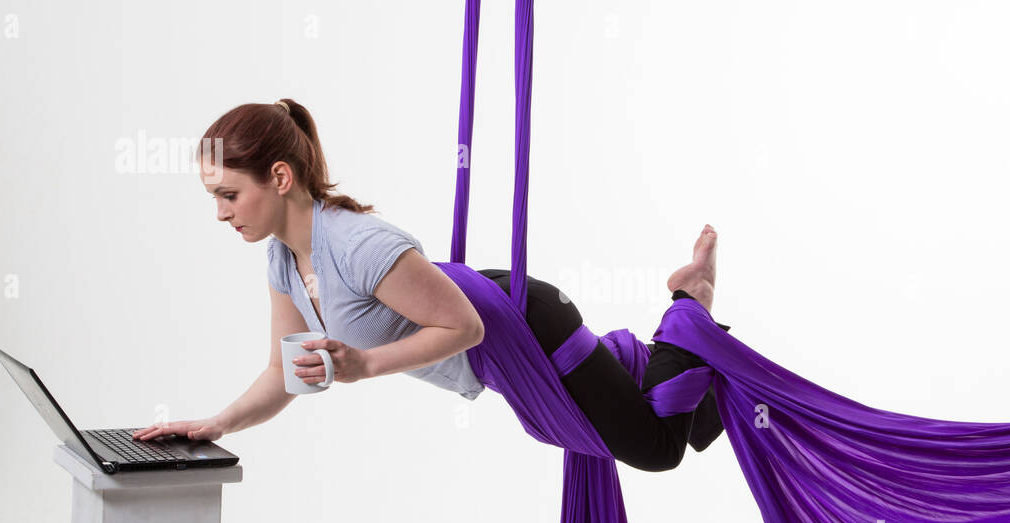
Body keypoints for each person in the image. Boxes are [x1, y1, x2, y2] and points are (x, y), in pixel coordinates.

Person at [132, 99, 728, 471]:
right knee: (640, 414)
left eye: (227, 195)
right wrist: (217, 424)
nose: (220, 213)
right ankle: (678, 339)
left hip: (526, 326)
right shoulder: (284, 260)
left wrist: (363, 364)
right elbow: (282, 373)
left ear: (280, 177)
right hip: (503, 354)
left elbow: (463, 325)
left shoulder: (357, 244)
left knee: (656, 449)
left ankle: (688, 309)